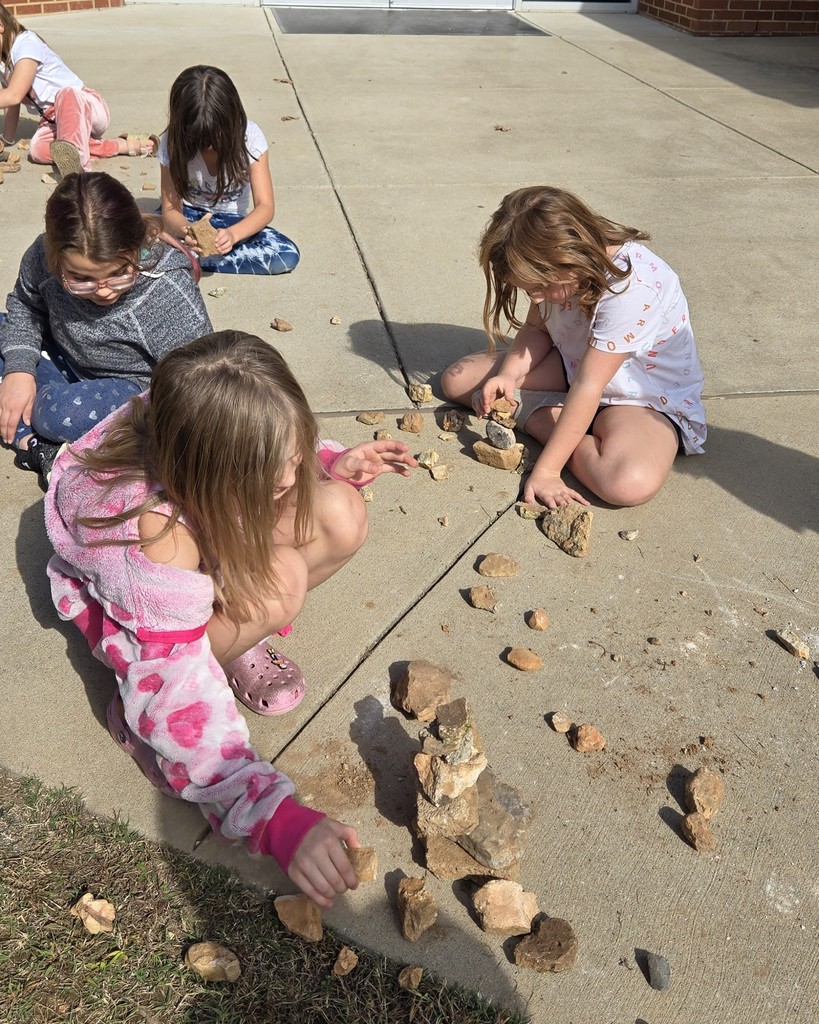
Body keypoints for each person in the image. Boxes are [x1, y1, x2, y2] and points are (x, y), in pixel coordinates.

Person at [44, 330, 417, 906]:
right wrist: (276, 818)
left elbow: (270, 453)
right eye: (279, 469)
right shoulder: (156, 538)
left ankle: (233, 630)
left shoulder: (196, 423)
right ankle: (136, 711)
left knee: (339, 508)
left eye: (295, 457)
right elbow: (170, 685)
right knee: (279, 582)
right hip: (144, 638)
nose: (293, 477)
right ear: (213, 468)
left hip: (204, 528)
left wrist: (327, 463)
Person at [441, 186, 706, 509]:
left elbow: (590, 384)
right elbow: (536, 329)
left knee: (627, 482)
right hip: (573, 366)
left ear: (571, 258)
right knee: (459, 380)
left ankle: (546, 421)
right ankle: (557, 420)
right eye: (528, 290)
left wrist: (549, 471)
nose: (534, 298)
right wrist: (509, 376)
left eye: (539, 288)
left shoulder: (632, 289)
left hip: (639, 398)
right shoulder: (557, 270)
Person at [0, 171, 212, 483]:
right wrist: (19, 371)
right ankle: (47, 437)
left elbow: (201, 375)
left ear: (137, 243)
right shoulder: (39, 258)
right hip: (65, 358)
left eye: (120, 272)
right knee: (11, 341)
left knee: (56, 413)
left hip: (135, 389)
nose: (103, 290)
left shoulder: (165, 290)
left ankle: (34, 441)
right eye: (81, 278)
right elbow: (24, 304)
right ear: (54, 257)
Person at [159, 65, 300, 276]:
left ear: (232, 121)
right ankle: (190, 254)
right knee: (137, 236)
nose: (207, 146)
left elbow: (265, 207)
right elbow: (170, 209)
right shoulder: (172, 142)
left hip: (233, 221)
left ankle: (184, 259)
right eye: (197, 138)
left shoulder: (250, 138)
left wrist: (233, 235)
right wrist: (187, 230)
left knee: (286, 255)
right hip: (189, 215)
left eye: (214, 137)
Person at [0, 4, 156, 175]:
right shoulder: (3, 62)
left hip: (84, 104)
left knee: (65, 94)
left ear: (1, 26)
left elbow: (14, 95)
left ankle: (79, 170)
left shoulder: (26, 44)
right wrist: (6, 138)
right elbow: (11, 102)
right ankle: (117, 145)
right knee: (37, 149)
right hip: (54, 119)